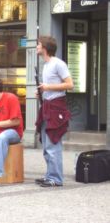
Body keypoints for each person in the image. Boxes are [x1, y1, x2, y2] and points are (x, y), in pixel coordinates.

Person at [35, 36, 74, 187]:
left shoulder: (58, 64)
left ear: (44, 47)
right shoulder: (45, 65)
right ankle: (50, 175)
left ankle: (56, 179)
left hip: (56, 107)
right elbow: (49, 87)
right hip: (47, 106)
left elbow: (70, 84)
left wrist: (47, 88)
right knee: (46, 144)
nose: (37, 47)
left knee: (53, 143)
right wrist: (41, 93)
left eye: (38, 44)